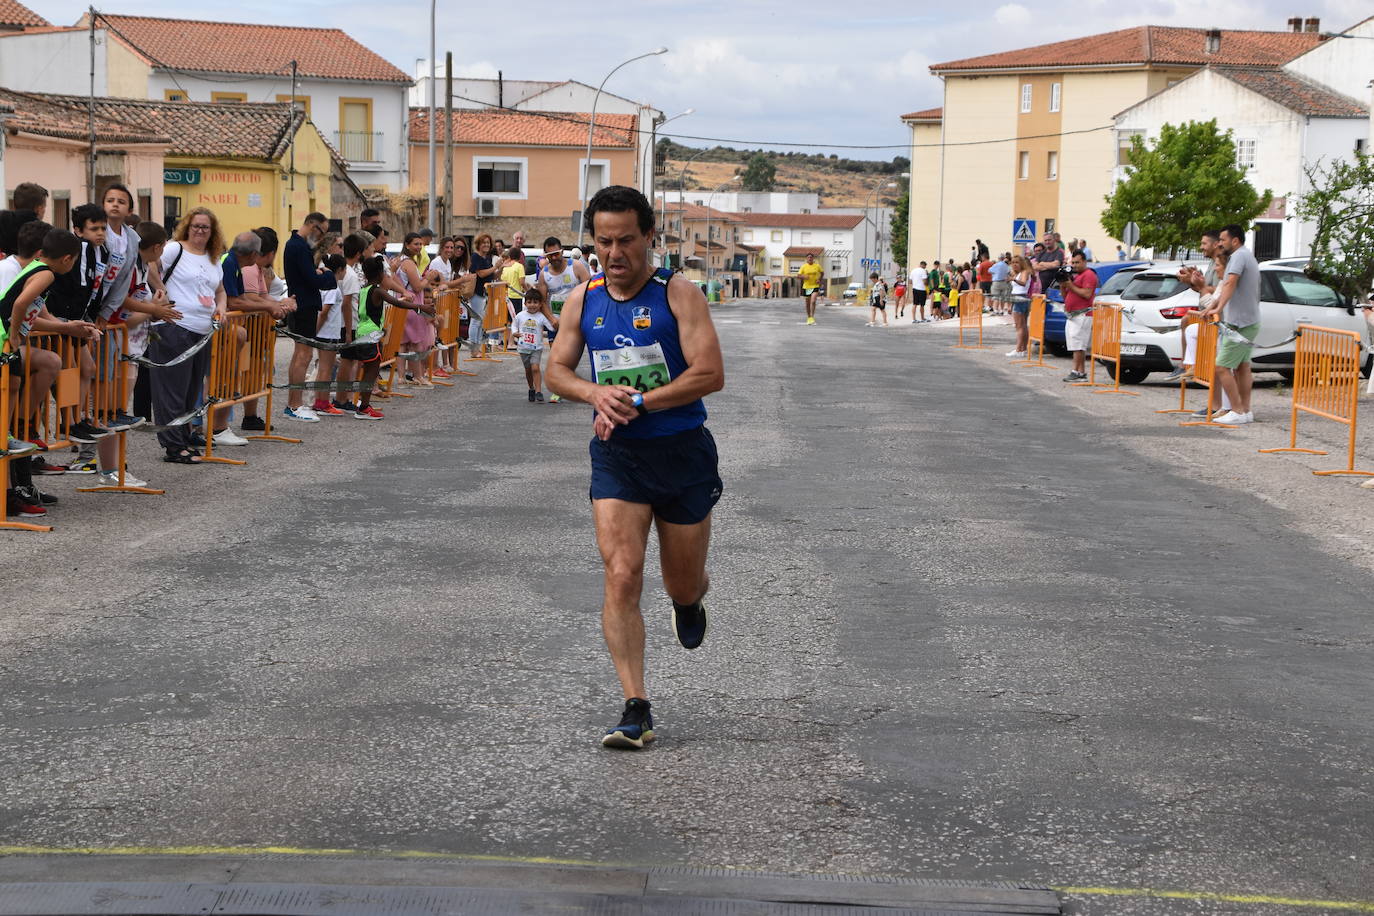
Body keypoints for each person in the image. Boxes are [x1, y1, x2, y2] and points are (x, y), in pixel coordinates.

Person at [546, 186, 725, 751]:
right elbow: (556, 370)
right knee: (622, 573)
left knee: (681, 579)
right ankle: (635, 707)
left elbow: (710, 373)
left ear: (649, 236)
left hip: (682, 453)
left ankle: (689, 600)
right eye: (603, 241)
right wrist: (595, 393)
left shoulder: (678, 294)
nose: (614, 252)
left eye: (626, 240)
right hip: (619, 457)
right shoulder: (582, 299)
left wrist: (640, 402)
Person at [1, 226, 79, 516]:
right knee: (12, 384)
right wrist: (14, 334)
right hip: (3, 338)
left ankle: (10, 431)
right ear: (67, 259)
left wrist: (67, 327)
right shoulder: (46, 274)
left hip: (6, 336)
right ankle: (7, 433)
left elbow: (30, 313)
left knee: (15, 382)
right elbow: (20, 303)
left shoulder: (34, 267)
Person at [153, 207, 227, 463]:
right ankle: (173, 446)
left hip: (202, 331)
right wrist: (161, 292)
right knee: (172, 390)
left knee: (190, 390)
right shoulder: (175, 249)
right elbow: (150, 264)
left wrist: (221, 307)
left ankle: (184, 437)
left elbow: (220, 290)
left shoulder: (213, 258)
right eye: (196, 226)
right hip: (175, 327)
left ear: (212, 231)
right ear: (187, 227)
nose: (200, 231)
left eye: (205, 227)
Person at [1202, 224, 1261, 425]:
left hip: (1240, 323)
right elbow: (1227, 286)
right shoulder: (1245, 255)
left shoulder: (1238, 256)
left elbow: (1230, 283)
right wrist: (1213, 306)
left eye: (1223, 240)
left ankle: (1236, 410)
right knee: (1242, 367)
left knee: (1221, 367)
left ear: (1235, 240)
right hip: (1248, 321)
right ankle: (1245, 411)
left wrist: (1217, 308)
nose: (1220, 243)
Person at [281, 212, 336, 421]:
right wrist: (328, 274)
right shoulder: (299, 246)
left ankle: (294, 403)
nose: (321, 237)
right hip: (304, 305)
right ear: (313, 225)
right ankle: (295, 404)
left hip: (302, 303)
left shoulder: (296, 245)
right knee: (303, 356)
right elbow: (313, 279)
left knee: (301, 355)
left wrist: (319, 275)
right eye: (322, 232)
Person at [511, 286, 557, 401]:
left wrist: (558, 325)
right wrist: (515, 333)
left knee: (535, 368)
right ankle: (531, 388)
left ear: (540, 304)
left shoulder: (541, 317)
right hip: (523, 348)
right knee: (528, 370)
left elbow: (551, 327)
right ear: (525, 303)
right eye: (529, 302)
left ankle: (538, 391)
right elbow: (514, 325)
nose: (532, 305)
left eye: (535, 302)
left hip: (536, 348)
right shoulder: (520, 315)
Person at [1060, 250, 1097, 382]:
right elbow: (1066, 297)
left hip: (1083, 314)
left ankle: (1075, 371)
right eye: (1073, 262)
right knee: (1075, 344)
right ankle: (1081, 373)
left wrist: (1070, 285)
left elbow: (1087, 294)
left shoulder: (1089, 275)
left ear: (1085, 262)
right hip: (1073, 315)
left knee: (1078, 345)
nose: (1075, 265)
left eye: (1077, 262)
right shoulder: (1076, 276)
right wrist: (1063, 285)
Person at [465, 234, 500, 356]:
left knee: (480, 321)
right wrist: (495, 267)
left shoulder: (487, 258)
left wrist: (501, 267)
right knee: (476, 320)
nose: (486, 245)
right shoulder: (475, 257)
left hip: (484, 293)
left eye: (488, 243)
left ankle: (477, 348)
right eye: (484, 242)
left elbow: (492, 275)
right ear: (478, 244)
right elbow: (480, 273)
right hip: (476, 292)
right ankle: (473, 349)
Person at [1007, 254, 1033, 358]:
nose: (1014, 264)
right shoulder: (1017, 273)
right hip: (1018, 298)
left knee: (1019, 326)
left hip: (1020, 298)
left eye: (1017, 262)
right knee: (1023, 325)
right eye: (1013, 262)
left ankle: (1019, 349)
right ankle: (1023, 349)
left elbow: (1023, 283)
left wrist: (1013, 279)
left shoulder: (1024, 272)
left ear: (1021, 263)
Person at [799, 252, 823, 325]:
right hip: (807, 287)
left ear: (813, 258)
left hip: (815, 286)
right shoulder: (803, 267)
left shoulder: (817, 266)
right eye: (808, 257)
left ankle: (812, 317)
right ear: (806, 259)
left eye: (811, 257)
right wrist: (804, 276)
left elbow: (822, 273)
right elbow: (798, 275)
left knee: (813, 301)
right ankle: (809, 317)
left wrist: (819, 279)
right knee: (807, 303)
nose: (810, 258)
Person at [989, 252, 1012, 318]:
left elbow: (989, 270)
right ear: (1004, 258)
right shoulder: (1006, 265)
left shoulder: (996, 265)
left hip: (996, 282)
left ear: (998, 258)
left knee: (996, 297)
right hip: (1004, 282)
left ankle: (996, 310)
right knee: (1002, 297)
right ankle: (1001, 310)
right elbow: (1009, 272)